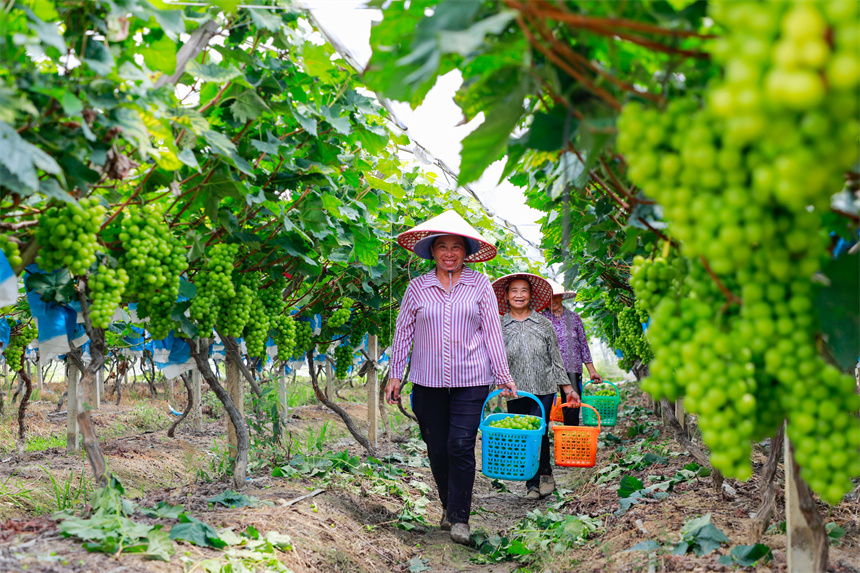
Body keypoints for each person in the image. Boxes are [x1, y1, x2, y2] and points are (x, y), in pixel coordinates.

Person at [384, 210, 518, 545]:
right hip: (427, 382)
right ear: (431, 251)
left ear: (466, 251)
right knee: (437, 449)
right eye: (442, 246)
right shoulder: (417, 288)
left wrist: (503, 374)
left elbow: (491, 332)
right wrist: (395, 375)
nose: (449, 253)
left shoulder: (480, 285)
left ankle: (460, 519)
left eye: (456, 247)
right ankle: (447, 505)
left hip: (471, 379)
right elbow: (403, 333)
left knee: (460, 446)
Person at [492, 273, 579, 499]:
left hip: (544, 387)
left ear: (531, 295)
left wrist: (568, 389)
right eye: (514, 290)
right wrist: (496, 384)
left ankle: (544, 475)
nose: (519, 295)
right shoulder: (499, 325)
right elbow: (493, 357)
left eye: (524, 290)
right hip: (514, 390)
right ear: (506, 295)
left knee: (539, 432)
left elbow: (556, 358)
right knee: (523, 434)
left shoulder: (544, 323)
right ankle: (532, 482)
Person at [541, 279, 603, 426]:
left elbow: (583, 345)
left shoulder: (574, 318)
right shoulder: (541, 318)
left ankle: (569, 445)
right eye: (548, 297)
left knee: (572, 410)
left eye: (555, 296)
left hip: (572, 370)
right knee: (544, 411)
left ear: (561, 297)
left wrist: (592, 371)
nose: (552, 300)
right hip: (548, 369)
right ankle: (545, 446)